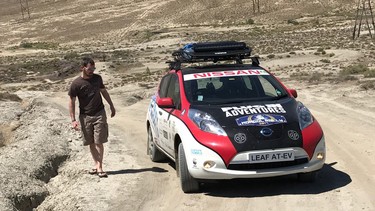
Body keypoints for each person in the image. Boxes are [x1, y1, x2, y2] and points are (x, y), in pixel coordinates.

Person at [68, 57, 116, 178]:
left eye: (93, 68)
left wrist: (111, 105)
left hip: (99, 113)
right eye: (90, 69)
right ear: (82, 68)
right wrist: (73, 120)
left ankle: (100, 167)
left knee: (99, 141)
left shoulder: (97, 78)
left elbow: (104, 91)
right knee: (91, 142)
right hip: (85, 116)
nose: (92, 71)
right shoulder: (76, 84)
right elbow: (72, 101)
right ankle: (96, 164)